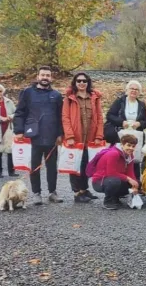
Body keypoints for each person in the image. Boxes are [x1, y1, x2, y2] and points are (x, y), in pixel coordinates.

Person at [14, 66, 64, 205]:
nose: (45, 78)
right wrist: (18, 131)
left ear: (51, 78)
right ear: (37, 77)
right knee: (34, 166)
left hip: (51, 137)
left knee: (52, 167)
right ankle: (36, 193)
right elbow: (19, 113)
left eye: (48, 75)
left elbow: (61, 116)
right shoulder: (27, 93)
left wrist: (60, 134)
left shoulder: (56, 95)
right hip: (33, 136)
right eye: (43, 75)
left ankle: (52, 192)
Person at [61, 72, 104, 204]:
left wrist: (99, 135)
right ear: (75, 83)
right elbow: (65, 117)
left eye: (84, 81)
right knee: (74, 165)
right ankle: (77, 192)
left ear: (88, 83)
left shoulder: (94, 97)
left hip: (90, 138)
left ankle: (85, 189)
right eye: (79, 81)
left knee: (86, 164)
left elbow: (100, 117)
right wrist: (69, 136)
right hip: (75, 138)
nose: (81, 83)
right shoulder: (69, 98)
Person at [104, 80, 146, 181]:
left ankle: (136, 183)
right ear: (127, 90)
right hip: (121, 134)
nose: (134, 91)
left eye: (136, 89)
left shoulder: (141, 105)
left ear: (139, 92)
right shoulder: (120, 102)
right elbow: (109, 115)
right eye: (132, 88)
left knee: (134, 159)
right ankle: (118, 182)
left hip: (135, 135)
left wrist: (140, 123)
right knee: (119, 158)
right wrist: (121, 122)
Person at [91, 133, 139, 210]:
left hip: (113, 179)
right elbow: (111, 173)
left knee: (136, 183)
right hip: (100, 181)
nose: (131, 148)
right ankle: (108, 201)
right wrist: (129, 179)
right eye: (128, 145)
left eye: (133, 146)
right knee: (115, 181)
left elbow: (130, 172)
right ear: (122, 145)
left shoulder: (130, 155)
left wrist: (135, 185)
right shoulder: (114, 153)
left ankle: (115, 197)